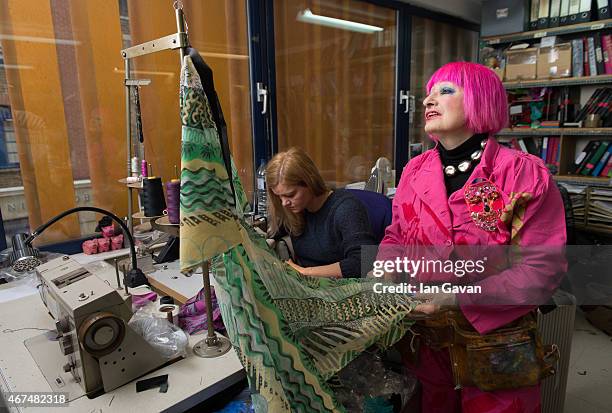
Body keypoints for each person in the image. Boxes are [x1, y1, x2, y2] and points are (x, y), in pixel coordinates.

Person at [378, 62, 566, 412]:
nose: (428, 100)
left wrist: (454, 297)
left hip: (497, 344)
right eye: (429, 93)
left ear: (480, 100)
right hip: (427, 340)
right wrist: (383, 273)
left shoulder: (522, 173)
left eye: (445, 91)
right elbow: (396, 235)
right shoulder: (414, 170)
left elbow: (540, 272)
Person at [266, 147, 376, 278]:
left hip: (344, 288)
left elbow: (365, 262)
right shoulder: (297, 209)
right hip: (312, 287)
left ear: (309, 182)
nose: (284, 203)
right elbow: (273, 234)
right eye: (279, 197)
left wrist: (305, 272)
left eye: (290, 194)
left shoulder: (346, 208)